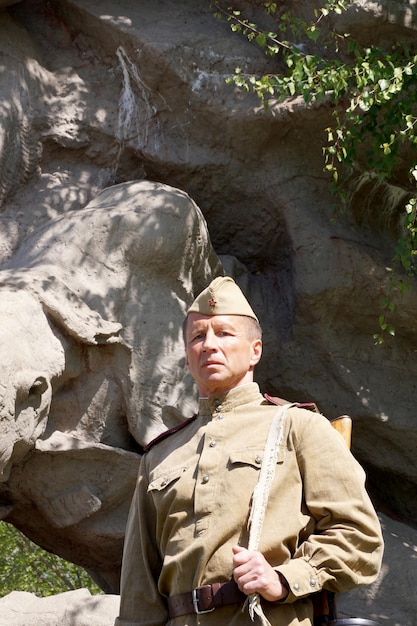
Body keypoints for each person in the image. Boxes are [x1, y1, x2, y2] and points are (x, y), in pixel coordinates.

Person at [115, 276, 383, 626]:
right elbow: (139, 588)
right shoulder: (160, 456)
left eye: (224, 333)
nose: (209, 345)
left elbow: (359, 537)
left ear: (255, 350)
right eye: (198, 336)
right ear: (186, 358)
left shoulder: (298, 427)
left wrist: (285, 579)